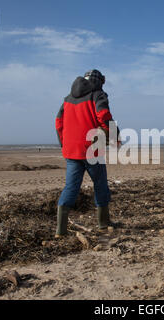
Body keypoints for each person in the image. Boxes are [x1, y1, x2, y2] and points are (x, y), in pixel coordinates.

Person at [54, 69, 119, 237]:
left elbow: (58, 123)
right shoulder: (97, 95)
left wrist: (64, 144)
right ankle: (103, 224)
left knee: (71, 187)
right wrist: (113, 134)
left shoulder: (68, 99)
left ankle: (60, 230)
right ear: (99, 81)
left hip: (71, 150)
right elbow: (103, 115)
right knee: (100, 185)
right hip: (92, 149)